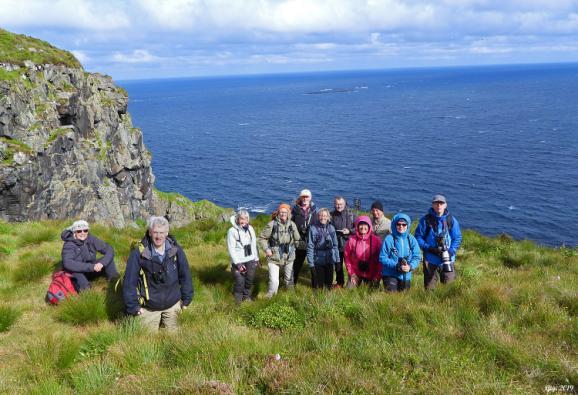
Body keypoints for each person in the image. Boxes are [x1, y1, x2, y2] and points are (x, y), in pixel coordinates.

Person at [123, 216, 193, 331]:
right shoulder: (139, 253)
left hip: (173, 304)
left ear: (167, 233)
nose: (158, 236)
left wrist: (186, 299)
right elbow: (129, 282)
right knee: (147, 343)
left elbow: (185, 275)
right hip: (149, 308)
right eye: (155, 232)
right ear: (150, 233)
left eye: (162, 232)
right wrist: (134, 307)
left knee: (175, 340)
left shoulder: (176, 250)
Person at [414, 194, 463, 289]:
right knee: (429, 289)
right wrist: (429, 248)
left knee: (449, 288)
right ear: (432, 205)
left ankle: (447, 304)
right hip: (430, 260)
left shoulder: (451, 220)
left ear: (445, 205)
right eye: (436, 203)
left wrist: (451, 251)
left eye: (441, 203)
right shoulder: (425, 220)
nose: (439, 206)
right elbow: (418, 237)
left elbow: (457, 238)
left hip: (447, 260)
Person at [60, 220, 119, 291]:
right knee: (86, 289)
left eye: (85, 230)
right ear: (74, 232)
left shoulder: (91, 239)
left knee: (109, 260)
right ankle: (87, 291)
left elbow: (109, 250)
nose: (83, 233)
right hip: (77, 272)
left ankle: (114, 283)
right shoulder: (69, 244)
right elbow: (68, 263)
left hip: (91, 269)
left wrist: (101, 263)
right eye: (79, 231)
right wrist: (92, 267)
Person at [258, 203, 301, 298]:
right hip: (274, 257)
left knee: (289, 279)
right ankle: (270, 298)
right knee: (274, 281)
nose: (283, 214)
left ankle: (291, 298)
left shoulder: (292, 225)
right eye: (281, 212)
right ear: (278, 212)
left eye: (285, 212)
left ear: (289, 213)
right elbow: (262, 238)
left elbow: (297, 239)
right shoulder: (271, 225)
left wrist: (294, 248)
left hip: (289, 257)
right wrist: (267, 249)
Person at [379, 213, 421, 292]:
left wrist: (410, 266)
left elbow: (417, 256)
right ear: (395, 225)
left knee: (404, 297)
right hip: (390, 273)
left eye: (404, 224)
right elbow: (382, 258)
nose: (401, 226)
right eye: (398, 224)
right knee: (391, 297)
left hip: (406, 275)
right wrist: (396, 265)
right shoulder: (389, 239)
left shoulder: (411, 239)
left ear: (407, 225)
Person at [227, 209, 259, 303]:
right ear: (237, 219)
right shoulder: (232, 231)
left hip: (250, 259)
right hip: (239, 261)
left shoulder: (250, 229)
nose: (243, 221)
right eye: (241, 218)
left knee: (249, 279)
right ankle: (238, 301)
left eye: (245, 219)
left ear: (248, 220)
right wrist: (238, 264)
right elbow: (231, 249)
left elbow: (254, 244)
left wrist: (256, 259)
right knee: (240, 281)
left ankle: (246, 297)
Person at [344, 215, 382, 288]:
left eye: (365, 225)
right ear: (357, 226)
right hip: (356, 272)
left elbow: (381, 258)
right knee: (350, 290)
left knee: (374, 293)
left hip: (372, 273)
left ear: (369, 226)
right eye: (360, 225)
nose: (363, 227)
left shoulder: (376, 240)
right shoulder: (352, 240)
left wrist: (377, 276)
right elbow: (347, 257)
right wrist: (352, 273)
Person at [306, 208, 340, 290]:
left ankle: (328, 300)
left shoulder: (331, 228)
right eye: (321, 215)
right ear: (318, 216)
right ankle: (317, 300)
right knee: (318, 286)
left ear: (328, 217)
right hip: (318, 260)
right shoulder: (312, 228)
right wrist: (311, 264)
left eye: (325, 216)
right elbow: (310, 247)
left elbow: (335, 245)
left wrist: (337, 260)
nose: (323, 218)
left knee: (329, 284)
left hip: (329, 259)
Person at [291, 189, 318, 286]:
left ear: (310, 198)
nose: (305, 198)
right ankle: (292, 286)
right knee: (297, 265)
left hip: (312, 242)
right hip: (299, 242)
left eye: (307, 196)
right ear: (300, 197)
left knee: (314, 265)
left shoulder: (315, 210)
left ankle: (316, 287)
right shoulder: (294, 210)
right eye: (303, 196)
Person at [330, 196, 356, 288]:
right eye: (337, 204)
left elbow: (359, 229)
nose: (338, 206)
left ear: (345, 204)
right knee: (338, 265)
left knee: (350, 265)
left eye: (340, 204)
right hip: (336, 244)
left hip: (349, 245)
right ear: (334, 204)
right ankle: (339, 283)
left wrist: (349, 231)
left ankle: (352, 283)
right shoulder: (331, 215)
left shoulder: (351, 214)